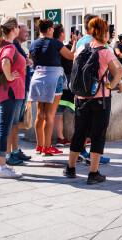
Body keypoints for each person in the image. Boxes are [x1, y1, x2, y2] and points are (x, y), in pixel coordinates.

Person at [65, 17, 122, 185]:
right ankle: (93, 173)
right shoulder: (105, 51)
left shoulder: (82, 48)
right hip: (100, 99)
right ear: (104, 33)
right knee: (97, 135)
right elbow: (119, 70)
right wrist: (111, 84)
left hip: (81, 98)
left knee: (79, 133)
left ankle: (70, 168)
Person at [29, 18, 74, 156]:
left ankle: (40, 146)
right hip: (53, 78)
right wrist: (76, 42)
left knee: (40, 114)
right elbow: (71, 56)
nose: (54, 29)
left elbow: (31, 62)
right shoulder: (55, 43)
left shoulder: (34, 44)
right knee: (50, 115)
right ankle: (48, 147)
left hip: (37, 77)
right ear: (49, 29)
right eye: (53, 28)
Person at [0, 17, 27, 179]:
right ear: (13, 29)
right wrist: (10, 76)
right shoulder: (9, 46)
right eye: (18, 26)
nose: (19, 29)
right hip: (9, 91)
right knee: (4, 127)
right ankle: (3, 167)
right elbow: (5, 61)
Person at [6, 25, 33, 166]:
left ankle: (15, 150)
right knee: (12, 123)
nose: (27, 35)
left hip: (21, 88)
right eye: (25, 32)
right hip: (16, 89)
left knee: (16, 123)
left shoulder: (18, 46)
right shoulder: (13, 47)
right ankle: (9, 153)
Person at [54, 25, 76, 147]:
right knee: (76, 111)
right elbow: (71, 55)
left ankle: (61, 138)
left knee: (58, 112)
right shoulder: (62, 47)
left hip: (58, 82)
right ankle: (78, 138)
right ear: (61, 34)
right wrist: (75, 42)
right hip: (69, 81)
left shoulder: (53, 46)